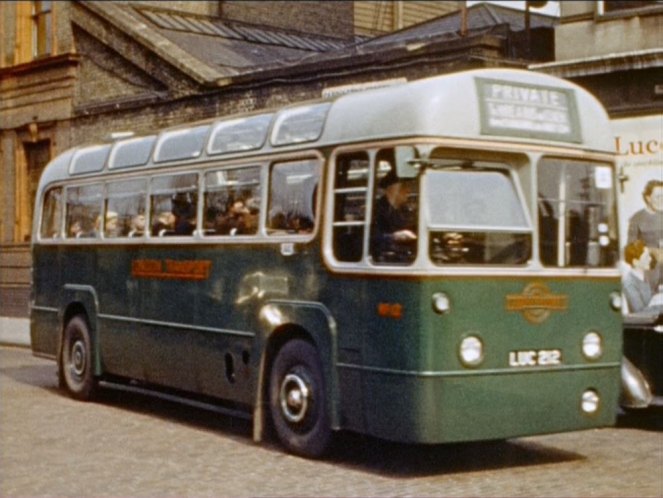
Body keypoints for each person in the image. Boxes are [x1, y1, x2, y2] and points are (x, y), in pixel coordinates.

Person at [371, 172, 417, 261]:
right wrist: (394, 236)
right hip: (385, 260)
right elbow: (371, 238)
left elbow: (414, 228)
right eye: (403, 187)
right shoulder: (376, 211)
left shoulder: (405, 210)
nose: (408, 191)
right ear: (391, 189)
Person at [622, 240, 661, 313]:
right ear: (635, 262)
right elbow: (640, 312)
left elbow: (649, 299)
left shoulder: (643, 276)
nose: (650, 259)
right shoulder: (629, 284)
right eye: (646, 257)